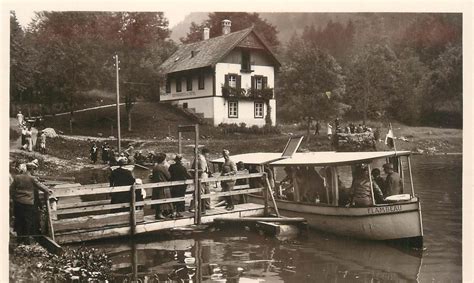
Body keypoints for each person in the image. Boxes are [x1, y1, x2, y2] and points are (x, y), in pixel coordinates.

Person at [10, 163, 49, 243]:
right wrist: (48, 190)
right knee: (28, 221)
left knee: (19, 220)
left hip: (18, 203)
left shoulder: (17, 177)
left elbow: (11, 189)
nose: (34, 172)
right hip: (28, 204)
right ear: (31, 169)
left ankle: (19, 239)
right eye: (34, 170)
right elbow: (41, 187)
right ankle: (26, 240)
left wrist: (14, 198)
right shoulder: (32, 178)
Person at [151, 153, 174, 219]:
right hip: (163, 184)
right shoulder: (162, 167)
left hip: (157, 184)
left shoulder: (155, 166)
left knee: (157, 199)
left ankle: (158, 213)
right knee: (164, 199)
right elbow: (168, 176)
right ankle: (161, 213)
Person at [190, 148, 211, 214]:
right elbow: (203, 169)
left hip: (202, 177)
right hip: (203, 177)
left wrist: (192, 170)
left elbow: (202, 169)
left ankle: (198, 207)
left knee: (200, 192)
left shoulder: (200, 158)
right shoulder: (201, 158)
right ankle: (203, 207)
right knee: (202, 192)